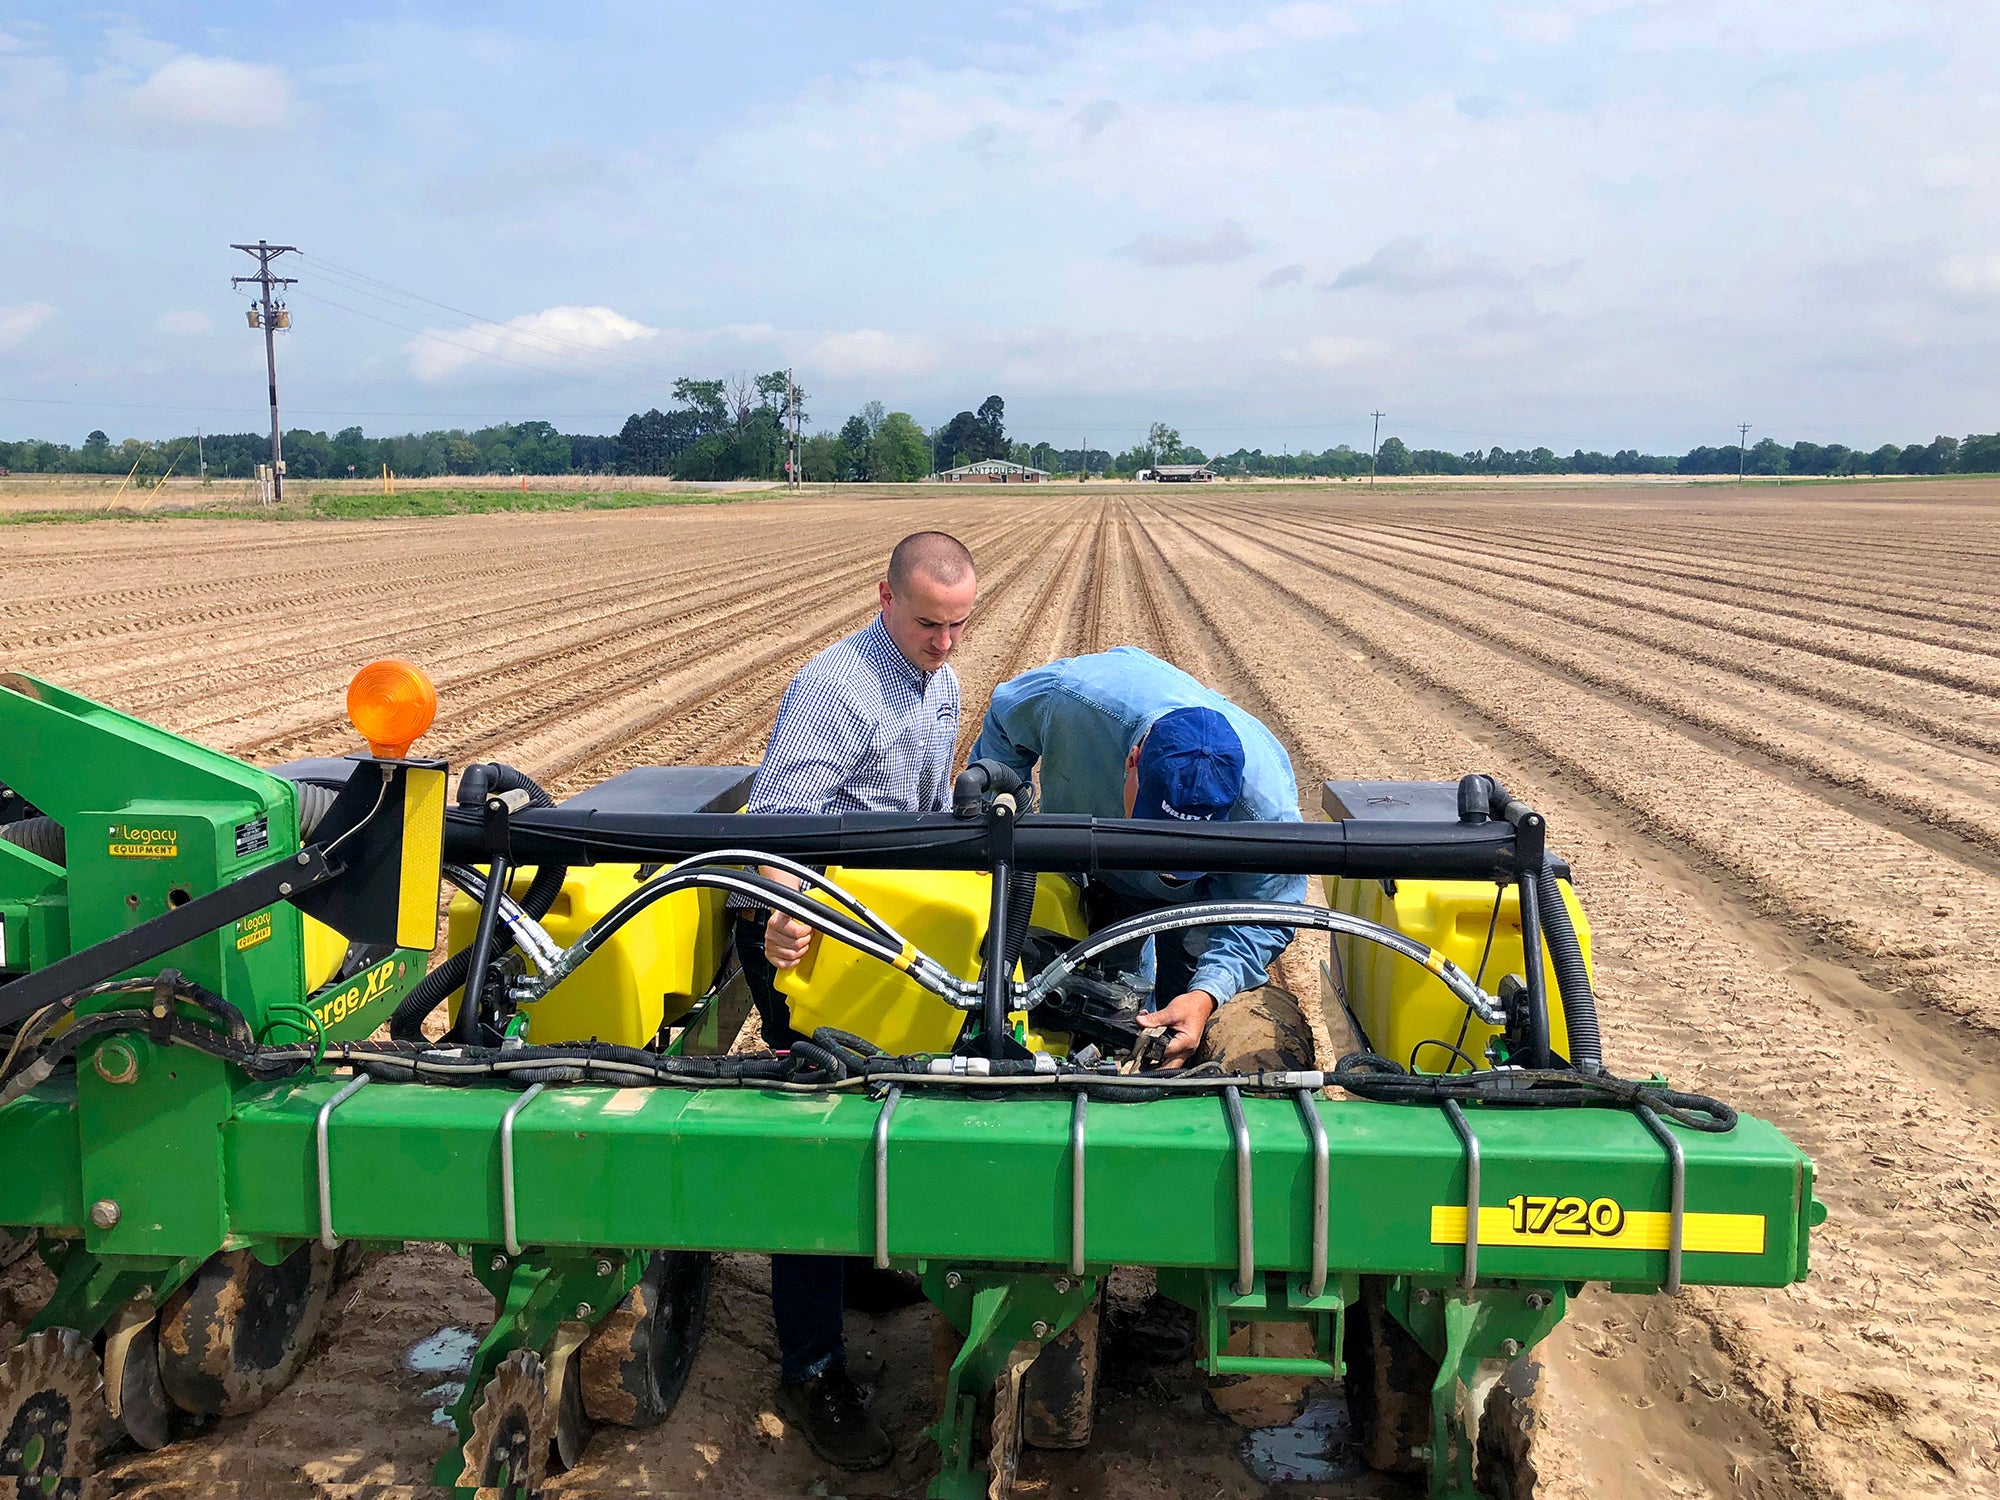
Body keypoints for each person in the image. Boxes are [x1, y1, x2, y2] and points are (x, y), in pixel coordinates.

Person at [736, 529, 977, 1472]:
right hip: (804, 937)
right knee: (822, 1132)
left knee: (903, 1095)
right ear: (883, 597)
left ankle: (857, 1268)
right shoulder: (836, 690)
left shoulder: (940, 680)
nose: (946, 643)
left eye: (959, 625)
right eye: (928, 624)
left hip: (887, 935)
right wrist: (784, 922)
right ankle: (808, 1363)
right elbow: (781, 828)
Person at [968, 647, 1314, 1071]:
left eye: (1189, 845)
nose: (1165, 866)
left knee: (1182, 1020)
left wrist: (1206, 993)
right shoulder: (1074, 700)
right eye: (1153, 820)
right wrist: (998, 821)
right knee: (1095, 1001)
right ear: (1131, 761)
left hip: (1201, 897)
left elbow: (1263, 913)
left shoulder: (1266, 811)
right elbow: (1006, 719)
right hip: (1103, 870)